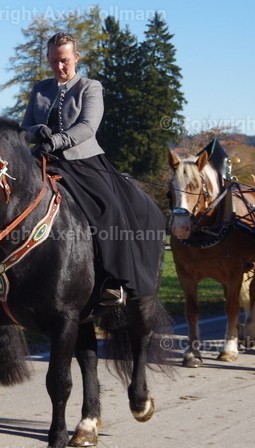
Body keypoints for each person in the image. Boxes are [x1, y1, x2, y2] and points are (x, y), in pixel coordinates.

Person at [21, 32, 164, 306]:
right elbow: (24, 126)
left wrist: (58, 140)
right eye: (53, 61)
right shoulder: (40, 89)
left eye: (64, 61)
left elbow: (87, 127)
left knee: (108, 208)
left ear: (76, 58)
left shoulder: (90, 87)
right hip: (41, 160)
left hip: (83, 162)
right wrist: (35, 131)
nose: (59, 67)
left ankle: (113, 281)